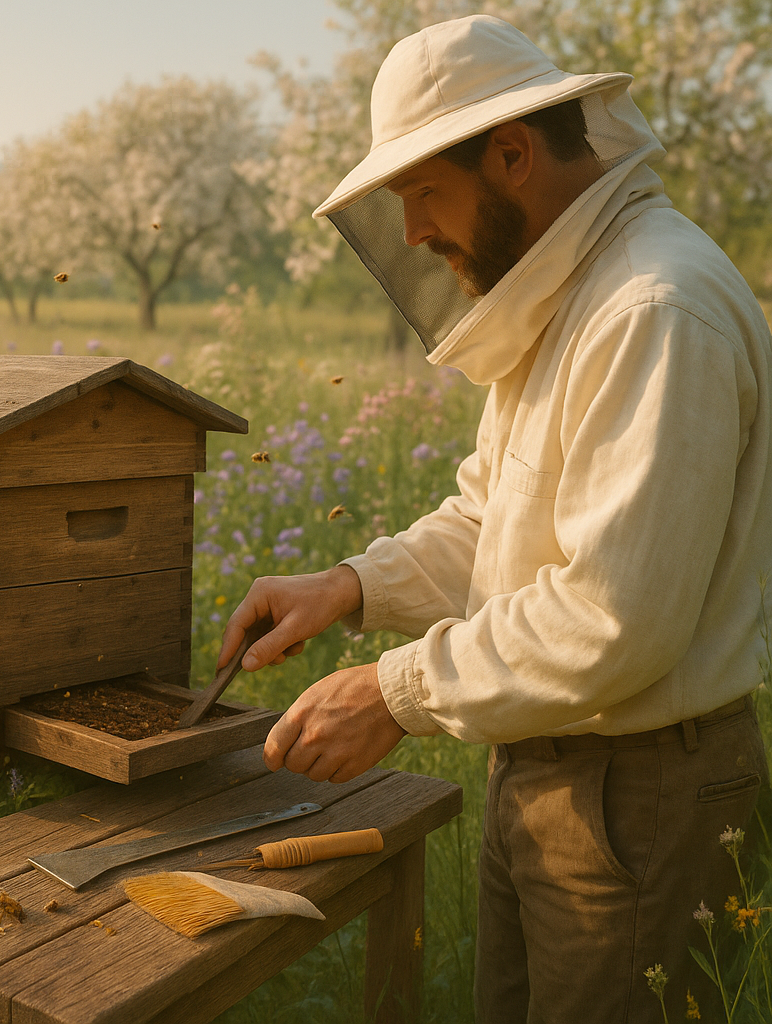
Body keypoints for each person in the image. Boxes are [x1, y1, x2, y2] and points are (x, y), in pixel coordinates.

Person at [218, 15, 772, 1021]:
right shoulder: (573, 294)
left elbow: (615, 617)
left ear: (512, 155)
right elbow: (494, 517)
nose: (417, 232)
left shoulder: (652, 308)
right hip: (553, 771)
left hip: (637, 795)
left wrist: (394, 692)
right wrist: (349, 585)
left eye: (423, 193)